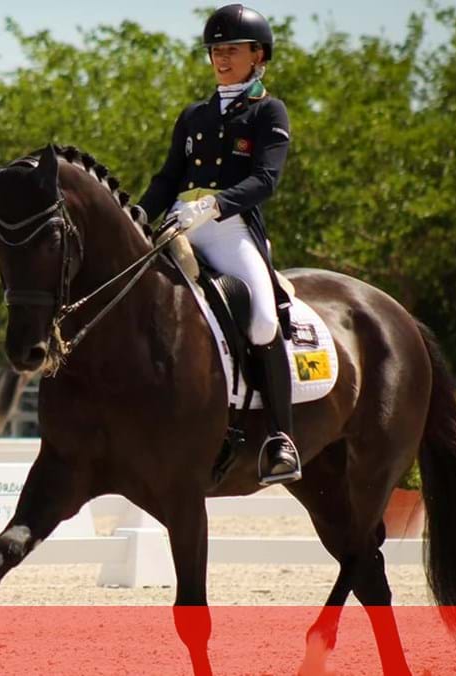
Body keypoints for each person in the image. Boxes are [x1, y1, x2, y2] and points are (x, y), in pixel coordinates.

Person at [137, 4, 299, 485]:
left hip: (229, 228)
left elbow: (266, 180)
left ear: (258, 56)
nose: (221, 59)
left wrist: (213, 206)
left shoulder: (269, 111)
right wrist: (139, 217)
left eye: (231, 50)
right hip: (178, 225)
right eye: (215, 51)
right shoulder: (194, 116)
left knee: (265, 319)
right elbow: (168, 178)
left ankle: (280, 438)